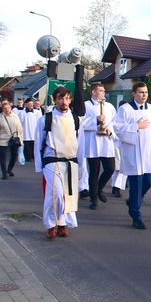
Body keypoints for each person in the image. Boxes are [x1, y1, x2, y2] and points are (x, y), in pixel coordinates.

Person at [113, 82, 151, 229]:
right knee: (136, 185)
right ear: (134, 93)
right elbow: (117, 127)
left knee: (149, 181)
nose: (144, 95)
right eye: (141, 92)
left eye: (146, 92)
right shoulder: (125, 109)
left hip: (148, 153)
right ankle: (136, 215)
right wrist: (136, 126)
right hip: (134, 153)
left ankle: (132, 201)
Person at [34, 87, 85, 240]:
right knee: (55, 194)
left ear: (70, 100)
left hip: (70, 161)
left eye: (67, 98)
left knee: (68, 195)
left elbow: (80, 143)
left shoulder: (76, 119)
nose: (64, 102)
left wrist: (81, 165)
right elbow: (39, 142)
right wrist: (39, 165)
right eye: (60, 98)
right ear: (55, 100)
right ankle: (50, 224)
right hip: (52, 160)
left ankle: (62, 223)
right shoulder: (46, 119)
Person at [82, 83, 117, 210]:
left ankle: (99, 189)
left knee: (110, 168)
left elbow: (114, 122)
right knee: (94, 171)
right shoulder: (86, 105)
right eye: (101, 90)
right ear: (93, 92)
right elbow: (81, 123)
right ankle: (93, 199)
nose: (103, 93)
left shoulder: (109, 106)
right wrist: (96, 120)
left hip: (106, 141)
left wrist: (110, 130)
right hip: (92, 142)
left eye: (103, 90)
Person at [0, 101, 23, 179]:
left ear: (11, 108)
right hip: (2, 140)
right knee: (2, 157)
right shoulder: (1, 117)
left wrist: (21, 139)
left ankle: (9, 170)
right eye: (5, 108)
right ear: (2, 109)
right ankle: (4, 173)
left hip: (14, 139)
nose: (7, 110)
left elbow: (20, 128)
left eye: (8, 108)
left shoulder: (15, 116)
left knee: (13, 156)